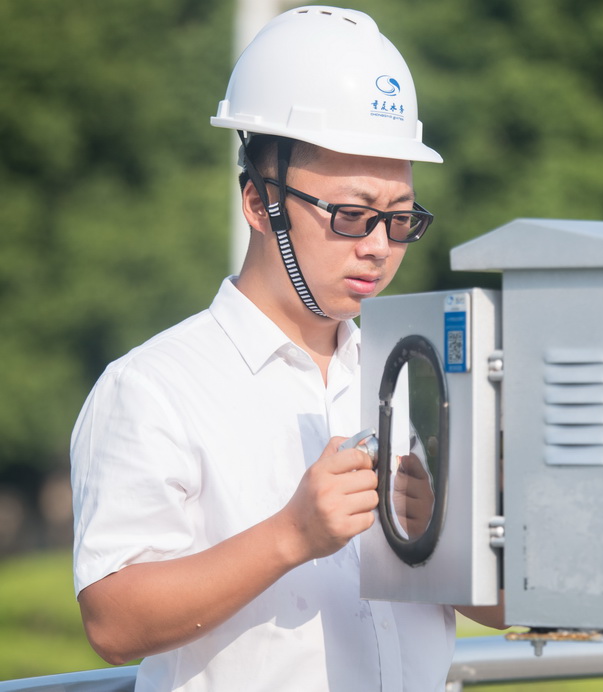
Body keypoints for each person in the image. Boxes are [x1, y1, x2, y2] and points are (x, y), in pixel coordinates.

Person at [71, 6, 503, 692]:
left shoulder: (389, 370)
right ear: (257, 200)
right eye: (353, 216)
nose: (378, 248)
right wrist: (293, 536)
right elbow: (113, 622)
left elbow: (502, 608)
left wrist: (446, 538)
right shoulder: (152, 385)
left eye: (400, 221)